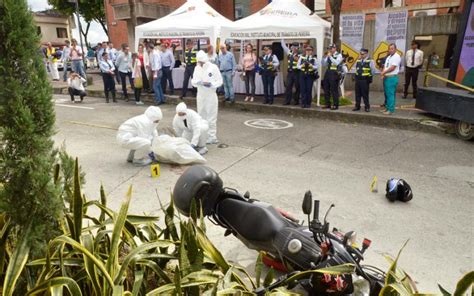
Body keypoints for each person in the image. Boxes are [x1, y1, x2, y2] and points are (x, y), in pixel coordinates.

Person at [192, 50, 222, 144]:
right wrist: (198, 83)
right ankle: (203, 135)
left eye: (201, 62)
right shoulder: (197, 68)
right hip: (200, 95)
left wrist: (212, 84)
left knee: (211, 116)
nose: (199, 64)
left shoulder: (213, 68)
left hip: (210, 95)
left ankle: (212, 136)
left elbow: (220, 81)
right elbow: (193, 81)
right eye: (198, 62)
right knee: (201, 116)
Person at [381, 43, 402, 115]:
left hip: (392, 78)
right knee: (387, 94)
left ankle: (390, 110)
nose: (390, 50)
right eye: (389, 48)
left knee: (390, 94)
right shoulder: (389, 57)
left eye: (392, 48)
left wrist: (384, 72)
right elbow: (385, 66)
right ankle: (387, 108)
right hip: (387, 77)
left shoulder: (397, 56)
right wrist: (383, 73)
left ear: (395, 49)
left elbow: (392, 68)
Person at [322, 43, 343, 110]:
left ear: (335, 48)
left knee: (334, 89)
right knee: (326, 88)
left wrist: (330, 57)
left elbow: (337, 63)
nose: (330, 50)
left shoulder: (338, 55)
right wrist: (324, 57)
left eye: (331, 48)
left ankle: (335, 104)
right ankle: (327, 103)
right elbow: (324, 64)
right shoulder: (329, 55)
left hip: (334, 73)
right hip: (328, 72)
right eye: (329, 48)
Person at [282, 40, 301, 105]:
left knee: (297, 87)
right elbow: (283, 46)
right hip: (290, 72)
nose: (293, 48)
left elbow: (300, 61)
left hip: (297, 72)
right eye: (292, 46)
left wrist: (297, 58)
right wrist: (282, 37)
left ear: (298, 48)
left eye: (295, 47)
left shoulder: (300, 54)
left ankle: (296, 100)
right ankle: (287, 101)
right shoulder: (289, 52)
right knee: (288, 86)